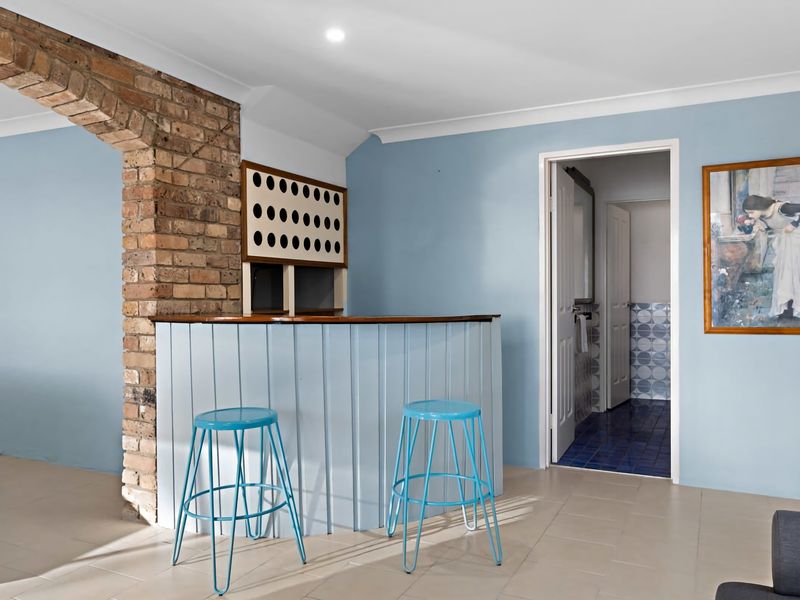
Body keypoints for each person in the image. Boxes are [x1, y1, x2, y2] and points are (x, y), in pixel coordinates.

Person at [742, 194, 800, 320]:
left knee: (796, 275)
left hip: (796, 243)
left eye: (751, 212)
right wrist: (765, 228)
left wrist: (795, 224)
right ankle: (787, 310)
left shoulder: (782, 208)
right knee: (784, 277)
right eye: (748, 213)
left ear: (759, 207)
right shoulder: (763, 216)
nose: (750, 215)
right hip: (785, 246)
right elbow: (777, 225)